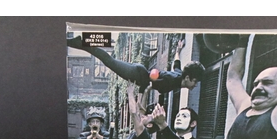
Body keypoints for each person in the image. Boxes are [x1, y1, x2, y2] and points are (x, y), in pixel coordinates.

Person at [67, 38, 205, 94]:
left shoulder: (179, 75)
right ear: (188, 77)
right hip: (138, 75)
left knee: (109, 61)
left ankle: (82, 43)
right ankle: (82, 43)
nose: (195, 85)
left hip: (139, 71)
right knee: (109, 61)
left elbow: (176, 64)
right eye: (195, 81)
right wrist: (139, 102)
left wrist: (178, 51)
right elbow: (147, 84)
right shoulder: (172, 80)